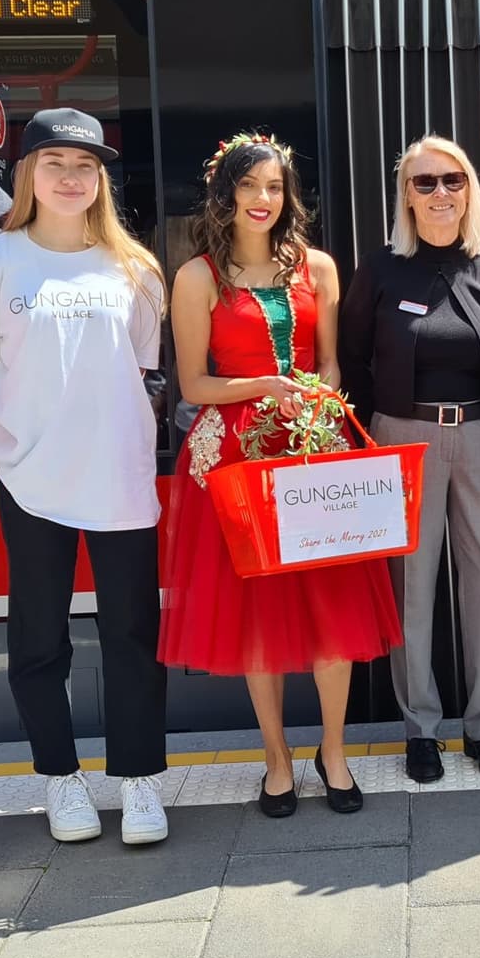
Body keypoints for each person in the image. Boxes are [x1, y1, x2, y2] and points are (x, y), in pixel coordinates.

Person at [159, 133, 402, 817]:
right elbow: (196, 384)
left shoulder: (318, 269)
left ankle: (333, 751)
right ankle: (275, 757)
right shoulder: (197, 277)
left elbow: (330, 366)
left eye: (274, 187)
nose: (263, 200)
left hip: (310, 450)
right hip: (232, 458)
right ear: (225, 194)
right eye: (249, 187)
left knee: (333, 611)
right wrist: (265, 386)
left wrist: (315, 407)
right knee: (253, 617)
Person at [0, 108, 171, 845]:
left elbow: (145, 370)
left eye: (86, 166)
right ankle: (62, 780)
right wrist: (23, 430)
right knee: (39, 635)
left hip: (120, 474)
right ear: (29, 176)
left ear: (100, 178)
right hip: (31, 478)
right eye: (55, 164)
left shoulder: (135, 267)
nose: (71, 178)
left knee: (132, 633)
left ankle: (139, 780)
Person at [338, 135, 480, 785]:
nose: (441, 193)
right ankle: (421, 729)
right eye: (425, 183)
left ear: (469, 189)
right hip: (403, 436)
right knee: (410, 586)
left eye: (453, 180)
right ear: (406, 198)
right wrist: (379, 425)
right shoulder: (383, 268)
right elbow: (352, 353)